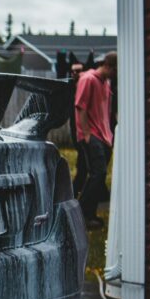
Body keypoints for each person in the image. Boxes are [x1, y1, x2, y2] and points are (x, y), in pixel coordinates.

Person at [75, 51, 116, 230]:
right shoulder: (88, 79)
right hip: (91, 135)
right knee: (97, 173)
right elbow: (80, 107)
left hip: (104, 136)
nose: (116, 75)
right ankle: (80, 214)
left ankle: (89, 215)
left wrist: (109, 135)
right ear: (107, 66)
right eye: (115, 70)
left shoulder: (106, 83)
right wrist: (86, 134)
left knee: (99, 177)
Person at [67, 61, 88, 198]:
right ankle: (75, 191)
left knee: (84, 163)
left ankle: (77, 190)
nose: (75, 73)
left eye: (78, 71)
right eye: (73, 71)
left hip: (85, 130)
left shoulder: (86, 85)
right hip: (76, 129)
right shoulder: (70, 88)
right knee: (83, 162)